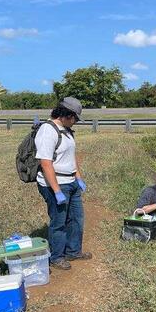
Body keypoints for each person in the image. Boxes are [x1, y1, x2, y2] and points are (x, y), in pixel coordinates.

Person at [35, 97, 92, 270]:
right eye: (75, 118)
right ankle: (57, 257)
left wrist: (78, 177)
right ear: (66, 114)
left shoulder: (66, 131)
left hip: (71, 182)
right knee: (59, 222)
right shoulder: (48, 130)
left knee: (76, 218)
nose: (75, 122)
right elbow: (45, 163)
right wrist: (57, 191)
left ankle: (73, 251)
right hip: (56, 183)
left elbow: (71, 157)